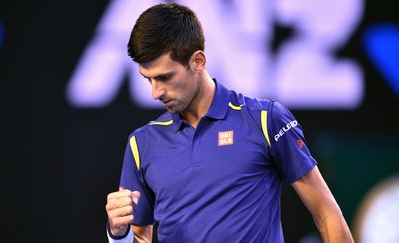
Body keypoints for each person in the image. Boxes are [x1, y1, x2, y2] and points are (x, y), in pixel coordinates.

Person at [105, 3, 354, 243]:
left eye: (165, 77)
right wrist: (119, 234)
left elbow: (325, 212)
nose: (156, 92)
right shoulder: (142, 144)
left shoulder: (265, 120)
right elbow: (139, 235)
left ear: (198, 61)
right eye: (148, 80)